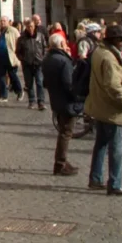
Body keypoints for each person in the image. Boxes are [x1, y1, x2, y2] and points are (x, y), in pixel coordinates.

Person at [85, 25, 122, 196]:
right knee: (116, 147)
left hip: (100, 105)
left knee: (101, 144)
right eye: (121, 40)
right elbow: (112, 85)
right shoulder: (109, 57)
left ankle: (95, 178)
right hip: (112, 109)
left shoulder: (99, 51)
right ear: (114, 41)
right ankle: (115, 183)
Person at [42, 33, 81, 176]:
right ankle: (60, 163)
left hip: (55, 100)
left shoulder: (48, 59)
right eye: (65, 43)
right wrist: (77, 97)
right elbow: (68, 84)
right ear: (60, 45)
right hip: (66, 101)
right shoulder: (63, 61)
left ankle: (61, 161)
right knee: (66, 133)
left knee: (63, 131)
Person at [17, 17, 48, 111]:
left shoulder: (40, 36)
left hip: (38, 63)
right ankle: (31, 101)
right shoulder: (22, 38)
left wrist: (43, 58)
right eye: (28, 26)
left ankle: (41, 102)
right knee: (29, 84)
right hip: (27, 64)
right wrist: (23, 59)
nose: (30, 28)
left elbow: (45, 48)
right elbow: (18, 51)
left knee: (39, 82)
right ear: (26, 27)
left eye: (32, 26)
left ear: (34, 26)